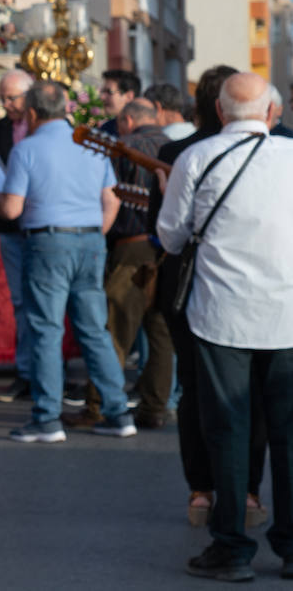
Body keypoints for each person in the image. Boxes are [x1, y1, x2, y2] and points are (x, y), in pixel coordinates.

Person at [156, 72, 293, 582]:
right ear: (271, 114)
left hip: (221, 316)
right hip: (288, 313)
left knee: (228, 430)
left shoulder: (196, 158)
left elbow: (170, 239)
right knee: (288, 433)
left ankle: (231, 546)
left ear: (218, 111)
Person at [148, 65, 268, 528]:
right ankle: (250, 493)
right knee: (253, 394)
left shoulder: (179, 153)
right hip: (266, 290)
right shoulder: (280, 149)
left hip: (191, 287)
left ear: (210, 107)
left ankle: (201, 490)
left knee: (197, 390)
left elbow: (164, 236)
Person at [0, 81, 135, 442]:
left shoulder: (26, 149)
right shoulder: (92, 146)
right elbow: (112, 199)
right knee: (94, 329)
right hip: (89, 238)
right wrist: (94, 233)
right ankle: (118, 411)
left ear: (33, 113)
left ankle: (47, 417)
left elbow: (12, 208)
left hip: (48, 240)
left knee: (46, 330)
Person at [67, 99, 172, 430]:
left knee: (114, 330)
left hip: (131, 248)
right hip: (169, 250)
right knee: (160, 333)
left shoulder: (119, 149)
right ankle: (155, 406)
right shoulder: (174, 148)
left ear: (127, 120)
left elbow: (106, 197)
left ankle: (98, 406)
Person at [0, 68, 34, 403]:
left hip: (40, 221)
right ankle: (25, 372)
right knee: (19, 301)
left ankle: (44, 374)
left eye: (12, 98)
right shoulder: (1, 127)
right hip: (9, 225)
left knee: (42, 304)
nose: (6, 104)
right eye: (2, 98)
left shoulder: (41, 126)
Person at [99, 69, 140, 136]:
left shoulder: (142, 130)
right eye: (103, 92)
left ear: (129, 96)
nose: (102, 97)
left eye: (109, 92)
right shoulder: (106, 129)